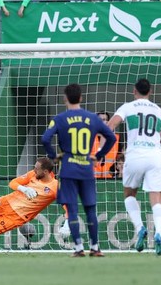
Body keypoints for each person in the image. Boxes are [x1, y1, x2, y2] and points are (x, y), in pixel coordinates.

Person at [41, 84, 116, 257]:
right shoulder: (92, 118)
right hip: (86, 168)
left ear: (65, 98)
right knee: (90, 209)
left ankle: (78, 248)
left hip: (68, 167)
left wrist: (54, 156)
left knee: (72, 209)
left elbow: (45, 138)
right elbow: (111, 136)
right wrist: (99, 155)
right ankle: (95, 247)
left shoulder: (60, 118)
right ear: (81, 98)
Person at [107, 78, 161, 255]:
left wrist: (104, 148)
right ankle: (159, 234)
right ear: (150, 91)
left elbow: (110, 125)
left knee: (129, 194)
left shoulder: (128, 107)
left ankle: (140, 228)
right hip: (154, 157)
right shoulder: (159, 111)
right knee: (156, 198)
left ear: (134, 91)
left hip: (134, 156)